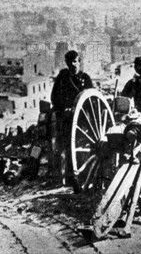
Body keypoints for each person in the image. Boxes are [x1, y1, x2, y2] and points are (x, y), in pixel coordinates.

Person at [50, 50, 93, 187]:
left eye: (75, 61)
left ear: (79, 62)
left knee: (80, 148)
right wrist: (64, 108)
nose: (73, 65)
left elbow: (91, 99)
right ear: (67, 63)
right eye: (70, 62)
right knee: (65, 148)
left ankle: (81, 177)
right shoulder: (62, 77)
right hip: (66, 119)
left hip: (81, 120)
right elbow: (54, 97)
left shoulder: (85, 78)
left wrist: (80, 111)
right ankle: (66, 179)